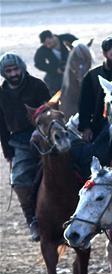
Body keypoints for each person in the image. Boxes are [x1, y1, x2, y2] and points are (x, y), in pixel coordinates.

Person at [0, 53, 50, 241]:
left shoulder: (37, 86)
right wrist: (8, 152)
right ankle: (33, 221)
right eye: (9, 71)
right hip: (20, 142)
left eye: (15, 69)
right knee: (20, 179)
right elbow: (2, 126)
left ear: (22, 67)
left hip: (45, 136)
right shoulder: (1, 94)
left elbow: (50, 111)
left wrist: (42, 131)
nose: (13, 73)